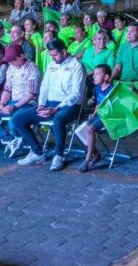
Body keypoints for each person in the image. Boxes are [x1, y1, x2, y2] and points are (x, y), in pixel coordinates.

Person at [13, 39, 86, 171]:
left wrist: (56, 108)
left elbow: (76, 94)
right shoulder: (51, 65)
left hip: (70, 105)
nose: (53, 58)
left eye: (55, 55)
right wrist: (41, 105)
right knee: (18, 119)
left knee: (58, 119)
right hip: (49, 103)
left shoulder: (77, 65)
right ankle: (38, 152)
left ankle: (59, 155)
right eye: (51, 55)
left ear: (64, 52)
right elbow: (44, 88)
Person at [0, 43, 40, 150]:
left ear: (21, 56)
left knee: (13, 122)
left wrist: (14, 107)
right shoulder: (11, 68)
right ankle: (10, 139)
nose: (10, 62)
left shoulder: (32, 68)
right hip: (12, 102)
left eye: (13, 59)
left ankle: (24, 142)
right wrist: (2, 104)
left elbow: (31, 94)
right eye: (9, 60)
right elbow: (7, 89)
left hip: (28, 103)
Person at [76, 64, 115, 173]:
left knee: (90, 129)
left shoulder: (113, 89)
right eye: (94, 74)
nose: (94, 77)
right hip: (99, 115)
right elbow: (98, 103)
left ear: (106, 77)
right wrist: (94, 113)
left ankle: (87, 160)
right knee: (80, 130)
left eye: (97, 74)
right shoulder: (97, 89)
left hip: (108, 117)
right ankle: (96, 154)